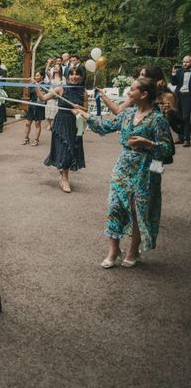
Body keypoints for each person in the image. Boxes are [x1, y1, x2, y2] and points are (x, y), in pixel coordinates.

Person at [74, 78, 173, 268]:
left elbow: (167, 149)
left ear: (143, 94)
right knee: (115, 206)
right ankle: (113, 250)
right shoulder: (127, 114)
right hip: (123, 166)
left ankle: (133, 250)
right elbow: (105, 127)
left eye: (133, 89)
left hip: (146, 170)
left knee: (138, 211)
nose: (128, 92)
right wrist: (84, 114)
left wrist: (148, 143)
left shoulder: (157, 119)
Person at [35, 66, 87, 193]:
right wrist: (36, 86)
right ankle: (65, 179)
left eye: (77, 74)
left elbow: (86, 110)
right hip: (61, 122)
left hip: (75, 123)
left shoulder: (83, 91)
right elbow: (43, 98)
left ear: (80, 76)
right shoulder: (60, 89)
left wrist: (78, 107)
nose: (74, 77)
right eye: (72, 74)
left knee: (71, 151)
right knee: (65, 149)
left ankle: (63, 172)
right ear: (67, 76)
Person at [22, 71, 46, 146]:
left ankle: (36, 140)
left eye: (38, 75)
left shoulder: (44, 84)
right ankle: (26, 138)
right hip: (32, 105)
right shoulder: (32, 84)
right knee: (27, 123)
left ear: (41, 76)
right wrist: (27, 88)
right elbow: (27, 94)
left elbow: (45, 95)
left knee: (37, 123)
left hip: (39, 105)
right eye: (35, 75)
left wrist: (37, 86)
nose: (36, 77)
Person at [172, 55, 191, 146]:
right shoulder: (179, 71)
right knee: (179, 116)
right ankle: (181, 137)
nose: (185, 64)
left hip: (188, 96)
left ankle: (187, 139)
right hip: (179, 95)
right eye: (184, 62)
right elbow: (174, 83)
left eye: (187, 62)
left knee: (186, 117)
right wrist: (173, 74)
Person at [45, 61, 64, 130]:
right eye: (55, 67)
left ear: (60, 69)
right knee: (49, 110)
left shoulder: (63, 78)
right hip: (50, 97)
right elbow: (46, 71)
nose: (55, 68)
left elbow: (64, 88)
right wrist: (49, 63)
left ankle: (54, 124)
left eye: (57, 67)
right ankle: (49, 124)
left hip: (57, 97)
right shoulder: (51, 77)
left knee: (56, 111)